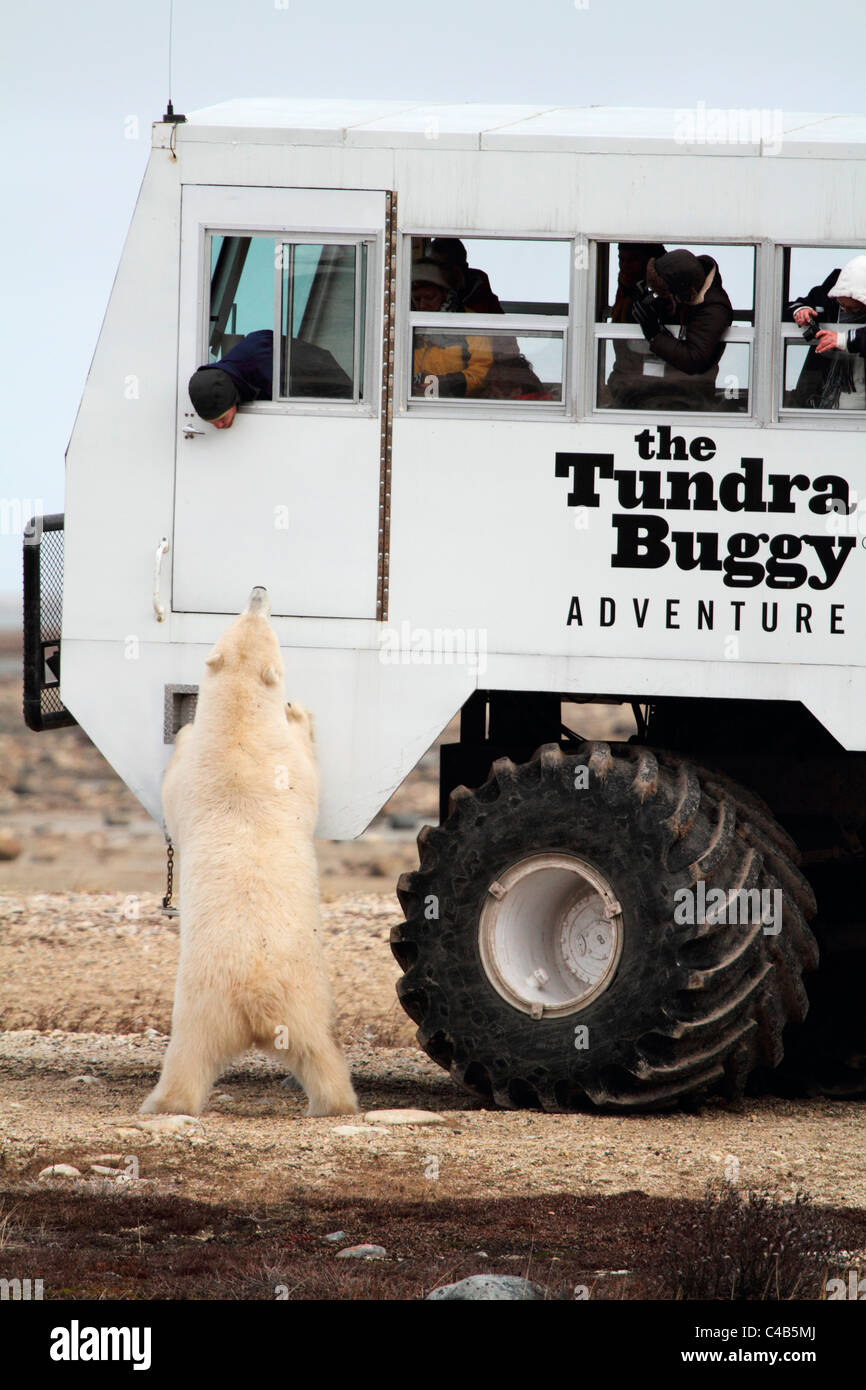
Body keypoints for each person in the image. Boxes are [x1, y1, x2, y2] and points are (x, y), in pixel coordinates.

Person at [425, 238, 552, 399]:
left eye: (442, 267)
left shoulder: (482, 305)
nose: (434, 274)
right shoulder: (419, 301)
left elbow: (507, 352)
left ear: (461, 268)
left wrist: (497, 385)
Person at [631, 248, 734, 409]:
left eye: (661, 294)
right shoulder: (686, 286)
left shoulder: (714, 309)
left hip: (691, 397)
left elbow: (695, 358)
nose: (656, 297)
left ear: (684, 295)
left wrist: (654, 334)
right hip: (663, 388)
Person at [188, 328, 353, 427]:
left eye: (221, 419)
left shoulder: (268, 373)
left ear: (232, 397)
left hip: (338, 394)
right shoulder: (232, 373)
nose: (219, 426)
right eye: (212, 422)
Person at [788, 255, 866, 409]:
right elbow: (788, 307)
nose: (844, 310)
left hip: (858, 390)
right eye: (841, 304)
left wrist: (842, 340)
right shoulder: (826, 296)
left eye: (853, 309)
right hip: (823, 387)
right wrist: (801, 310)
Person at [411, 259, 494, 397]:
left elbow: (482, 371)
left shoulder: (470, 323)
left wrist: (442, 384)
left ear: (445, 294)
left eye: (429, 297)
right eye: (417, 299)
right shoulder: (403, 321)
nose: (422, 305)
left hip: (455, 406)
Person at [604, 242, 667, 407]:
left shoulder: (661, 299)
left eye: (632, 261)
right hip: (625, 386)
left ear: (650, 264)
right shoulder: (625, 293)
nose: (624, 266)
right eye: (621, 259)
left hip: (650, 393)